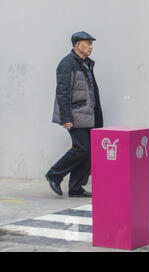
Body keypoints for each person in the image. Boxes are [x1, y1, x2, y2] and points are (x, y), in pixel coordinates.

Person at [46, 31, 103, 197]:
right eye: (88, 43)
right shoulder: (67, 64)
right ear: (77, 45)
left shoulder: (86, 63)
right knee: (82, 148)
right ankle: (54, 174)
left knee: (89, 150)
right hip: (75, 114)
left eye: (91, 43)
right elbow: (62, 93)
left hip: (88, 114)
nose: (91, 46)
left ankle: (76, 187)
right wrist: (66, 118)